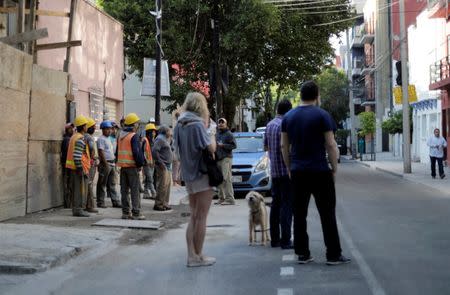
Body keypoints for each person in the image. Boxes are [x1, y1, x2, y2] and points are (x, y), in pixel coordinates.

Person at [281, 81, 350, 265]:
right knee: (327, 213)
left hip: (298, 172)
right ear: (317, 95)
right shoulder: (323, 115)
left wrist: (289, 167)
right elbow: (331, 144)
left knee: (299, 213)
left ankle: (303, 254)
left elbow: (284, 145)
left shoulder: (288, 117)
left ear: (301, 95)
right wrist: (334, 168)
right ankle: (333, 255)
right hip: (320, 171)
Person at [173, 92, 217, 267]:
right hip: (202, 174)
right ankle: (197, 256)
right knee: (201, 217)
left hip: (188, 175)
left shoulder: (179, 124)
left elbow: (177, 151)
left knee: (193, 216)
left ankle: (191, 255)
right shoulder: (198, 125)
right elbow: (211, 148)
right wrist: (212, 132)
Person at [264, 99, 293, 249]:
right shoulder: (286, 124)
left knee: (275, 205)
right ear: (288, 111)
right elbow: (287, 147)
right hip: (286, 171)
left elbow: (266, 146)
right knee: (287, 205)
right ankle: (286, 240)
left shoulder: (269, 125)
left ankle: (274, 239)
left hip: (274, 171)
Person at [117, 113, 146, 220]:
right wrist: (140, 164)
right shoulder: (133, 136)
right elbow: (136, 152)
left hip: (123, 167)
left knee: (124, 191)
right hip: (132, 166)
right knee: (135, 191)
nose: (138, 125)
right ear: (133, 124)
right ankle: (136, 213)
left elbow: (117, 152)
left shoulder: (120, 135)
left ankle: (125, 213)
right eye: (137, 123)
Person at [65, 115, 91, 217]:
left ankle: (77, 209)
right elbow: (77, 156)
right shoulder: (80, 138)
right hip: (78, 168)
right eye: (86, 125)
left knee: (76, 189)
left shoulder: (74, 137)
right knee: (79, 190)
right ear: (83, 127)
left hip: (74, 168)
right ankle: (78, 210)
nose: (87, 127)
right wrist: (80, 169)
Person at [96, 121, 121, 208]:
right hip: (105, 164)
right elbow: (101, 152)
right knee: (102, 184)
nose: (109, 131)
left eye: (110, 129)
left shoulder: (109, 139)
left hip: (112, 163)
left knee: (112, 184)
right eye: (107, 129)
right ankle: (100, 202)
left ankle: (115, 201)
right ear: (103, 130)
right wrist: (105, 163)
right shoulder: (101, 139)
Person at [215, 118, 237, 205]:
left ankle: (230, 199)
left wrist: (223, 145)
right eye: (219, 123)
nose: (220, 124)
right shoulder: (217, 134)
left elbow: (234, 145)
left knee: (226, 178)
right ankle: (221, 198)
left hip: (226, 158)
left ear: (226, 124)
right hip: (218, 158)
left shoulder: (229, 134)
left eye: (222, 123)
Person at [152, 125, 173, 211]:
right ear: (165, 131)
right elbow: (154, 151)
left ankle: (165, 203)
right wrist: (160, 162)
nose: (170, 132)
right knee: (162, 185)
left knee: (167, 185)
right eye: (169, 131)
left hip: (167, 165)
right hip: (163, 165)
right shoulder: (160, 139)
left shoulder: (165, 139)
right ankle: (159, 204)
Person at [84, 118, 99, 213]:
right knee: (89, 184)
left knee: (87, 183)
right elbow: (92, 149)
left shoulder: (83, 136)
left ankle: (87, 204)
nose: (94, 128)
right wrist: (93, 159)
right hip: (91, 163)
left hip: (87, 162)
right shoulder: (89, 137)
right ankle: (90, 206)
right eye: (93, 127)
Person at [143, 123, 157, 199]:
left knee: (149, 178)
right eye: (153, 132)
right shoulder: (145, 140)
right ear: (149, 132)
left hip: (152, 163)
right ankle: (153, 193)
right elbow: (144, 152)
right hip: (147, 163)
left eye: (154, 132)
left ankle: (145, 193)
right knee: (150, 179)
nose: (154, 133)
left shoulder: (153, 141)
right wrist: (146, 161)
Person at [61, 123, 74, 208]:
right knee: (68, 184)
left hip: (68, 164)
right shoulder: (67, 139)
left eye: (72, 129)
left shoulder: (69, 139)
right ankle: (68, 203)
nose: (72, 130)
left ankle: (69, 203)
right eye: (70, 129)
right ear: (67, 130)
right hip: (67, 165)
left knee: (70, 183)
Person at [172, 112, 182, 186]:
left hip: (178, 148)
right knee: (177, 165)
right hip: (177, 149)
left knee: (178, 166)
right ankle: (175, 181)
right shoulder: (179, 125)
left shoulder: (178, 125)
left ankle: (177, 181)